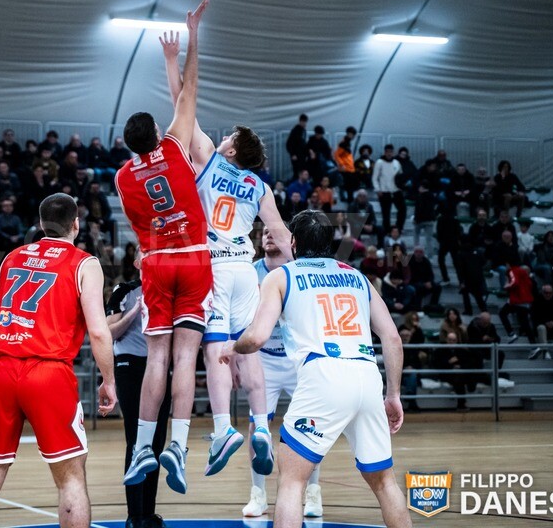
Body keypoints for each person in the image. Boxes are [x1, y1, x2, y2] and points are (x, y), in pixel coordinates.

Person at [220, 210, 413, 528]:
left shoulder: (281, 276)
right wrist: (393, 394)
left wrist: (232, 346)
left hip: (323, 374)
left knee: (291, 482)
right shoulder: (357, 277)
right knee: (384, 482)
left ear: (293, 242)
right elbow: (392, 337)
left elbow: (256, 337)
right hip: (367, 376)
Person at [161, 28, 293, 479]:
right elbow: (281, 236)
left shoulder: (210, 161)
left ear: (231, 148)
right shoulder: (260, 187)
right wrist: (299, 276)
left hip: (213, 267)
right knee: (249, 351)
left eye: (228, 136)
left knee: (216, 351)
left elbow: (183, 107)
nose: (220, 138)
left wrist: (172, 60)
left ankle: (222, 430)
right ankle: (261, 427)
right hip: (245, 270)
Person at [0, 193, 118, 528]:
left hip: (2, 366)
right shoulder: (85, 263)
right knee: (71, 479)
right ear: (76, 224)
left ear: (42, 224)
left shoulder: (12, 257)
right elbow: (99, 332)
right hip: (48, 371)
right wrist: (109, 380)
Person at [116, 0, 211, 495]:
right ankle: (178, 445)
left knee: (157, 357)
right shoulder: (174, 146)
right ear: (157, 132)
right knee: (186, 357)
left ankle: (141, 449)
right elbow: (188, 91)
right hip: (194, 258)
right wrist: (191, 37)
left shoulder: (121, 177)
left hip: (155, 263)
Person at [241, 227, 324, 519]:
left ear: (291, 241)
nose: (268, 235)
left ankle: (313, 493)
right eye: (264, 232)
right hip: (263, 359)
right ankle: (258, 495)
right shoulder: (250, 273)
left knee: (311, 426)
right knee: (257, 427)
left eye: (274, 231)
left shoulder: (299, 272)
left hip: (297, 358)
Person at [107, 252, 171, 528]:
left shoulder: (169, 291)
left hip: (161, 367)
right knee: (136, 438)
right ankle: (134, 515)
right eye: (146, 254)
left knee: (157, 441)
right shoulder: (124, 291)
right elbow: (109, 332)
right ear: (137, 263)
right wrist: (135, 311)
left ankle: (149, 513)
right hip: (130, 365)